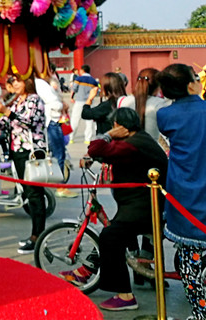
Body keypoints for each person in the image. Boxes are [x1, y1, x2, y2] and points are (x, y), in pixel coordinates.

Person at [156, 63, 206, 320]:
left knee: (189, 260)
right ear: (191, 85)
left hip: (184, 198)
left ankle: (199, 314)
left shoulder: (165, 116)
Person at [70, 108, 168, 312]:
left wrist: (107, 135)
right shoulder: (140, 139)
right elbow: (109, 153)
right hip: (140, 204)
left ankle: (125, 295)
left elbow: (96, 148)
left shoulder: (133, 145)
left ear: (118, 126)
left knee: (110, 236)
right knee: (114, 231)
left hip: (145, 208)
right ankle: (86, 271)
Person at [0, 75, 46, 253]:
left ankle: (38, 237)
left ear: (27, 82)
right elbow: (7, 125)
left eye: (17, 81)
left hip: (31, 151)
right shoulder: (18, 100)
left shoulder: (34, 99)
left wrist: (6, 111)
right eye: (13, 81)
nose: (14, 84)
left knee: (35, 194)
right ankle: (36, 234)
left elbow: (29, 122)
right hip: (18, 151)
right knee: (28, 192)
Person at [35, 76, 75, 197]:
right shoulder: (40, 83)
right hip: (51, 122)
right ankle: (60, 186)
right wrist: (61, 105)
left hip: (48, 122)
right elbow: (54, 104)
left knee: (54, 154)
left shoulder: (40, 83)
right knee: (59, 155)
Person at [117, 68, 171, 145]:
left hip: (126, 148)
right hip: (151, 148)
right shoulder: (160, 103)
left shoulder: (122, 100)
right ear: (158, 87)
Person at [81, 72, 126, 137]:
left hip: (107, 139)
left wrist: (90, 98)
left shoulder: (107, 105)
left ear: (107, 88)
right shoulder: (126, 101)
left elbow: (85, 114)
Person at [70, 65, 98, 144]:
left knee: (75, 120)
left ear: (82, 70)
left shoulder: (78, 79)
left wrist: (72, 97)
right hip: (90, 102)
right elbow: (96, 91)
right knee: (89, 122)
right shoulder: (93, 81)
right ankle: (87, 139)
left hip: (79, 101)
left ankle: (71, 138)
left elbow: (74, 89)